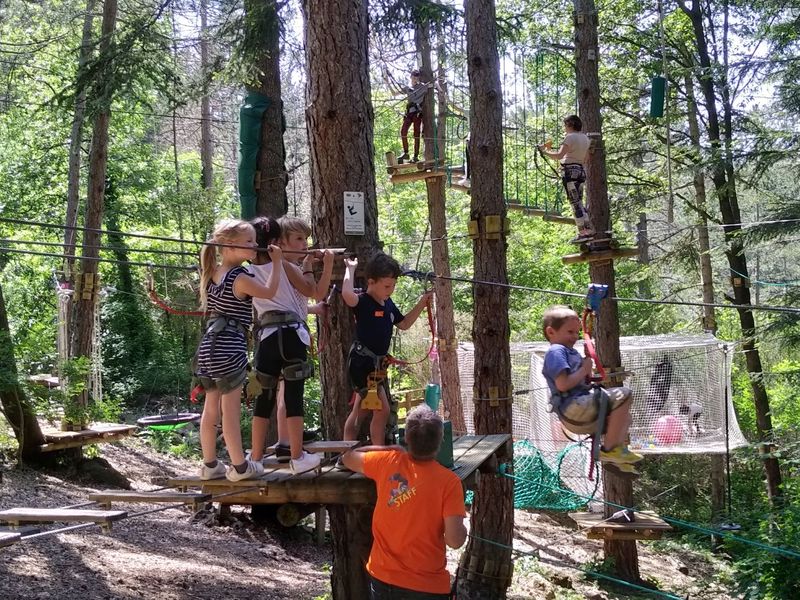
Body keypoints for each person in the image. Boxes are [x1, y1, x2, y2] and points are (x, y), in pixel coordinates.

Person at [342, 405, 467, 599]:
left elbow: (347, 457)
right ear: (440, 440)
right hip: (427, 586)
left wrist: (386, 448)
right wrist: (463, 531)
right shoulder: (450, 482)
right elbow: (454, 540)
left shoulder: (387, 460)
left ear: (406, 438)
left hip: (383, 579)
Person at [195, 218, 284, 482]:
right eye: (249, 242)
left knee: (211, 407)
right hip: (229, 345)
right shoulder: (239, 277)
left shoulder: (212, 272)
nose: (256, 246)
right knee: (229, 410)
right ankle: (240, 468)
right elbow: (269, 291)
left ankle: (210, 464)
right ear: (230, 245)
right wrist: (277, 262)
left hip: (209, 345)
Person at [248, 216, 334, 474]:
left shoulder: (248, 269)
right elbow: (315, 291)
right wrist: (326, 265)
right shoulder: (284, 265)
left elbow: (289, 299)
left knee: (264, 399)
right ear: (278, 243)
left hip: (266, 337)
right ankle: (297, 456)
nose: (305, 244)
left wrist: (306, 264)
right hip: (291, 337)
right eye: (299, 239)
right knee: (293, 397)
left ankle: (255, 456)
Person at [341, 253, 432, 447]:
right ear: (371, 282)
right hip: (362, 365)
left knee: (362, 411)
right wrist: (350, 268)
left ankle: (346, 452)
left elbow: (405, 323)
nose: (391, 290)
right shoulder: (364, 302)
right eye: (387, 286)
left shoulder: (388, 303)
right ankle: (377, 452)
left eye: (393, 285)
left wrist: (422, 304)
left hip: (375, 368)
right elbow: (347, 295)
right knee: (381, 410)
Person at [541, 305, 643, 473]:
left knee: (625, 418)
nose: (575, 337)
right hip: (572, 406)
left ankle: (617, 459)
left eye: (577, 333)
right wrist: (584, 370)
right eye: (570, 332)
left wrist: (585, 372)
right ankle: (610, 450)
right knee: (624, 394)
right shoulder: (556, 351)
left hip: (579, 407)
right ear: (551, 332)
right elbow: (563, 384)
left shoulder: (569, 352)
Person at [538, 115, 595, 243]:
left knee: (575, 203)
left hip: (570, 172)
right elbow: (586, 159)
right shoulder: (585, 139)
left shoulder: (570, 137)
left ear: (570, 124)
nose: (565, 128)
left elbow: (559, 155)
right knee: (579, 202)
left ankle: (583, 232)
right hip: (580, 171)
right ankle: (588, 230)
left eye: (565, 125)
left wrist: (545, 152)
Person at [396, 69, 431, 164]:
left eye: (417, 77)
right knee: (403, 131)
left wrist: (440, 88)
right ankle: (406, 153)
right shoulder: (408, 88)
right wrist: (387, 81)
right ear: (411, 77)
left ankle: (415, 156)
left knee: (416, 134)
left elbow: (433, 84)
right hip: (409, 113)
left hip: (417, 113)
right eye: (414, 76)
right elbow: (395, 93)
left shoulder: (422, 87)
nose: (415, 79)